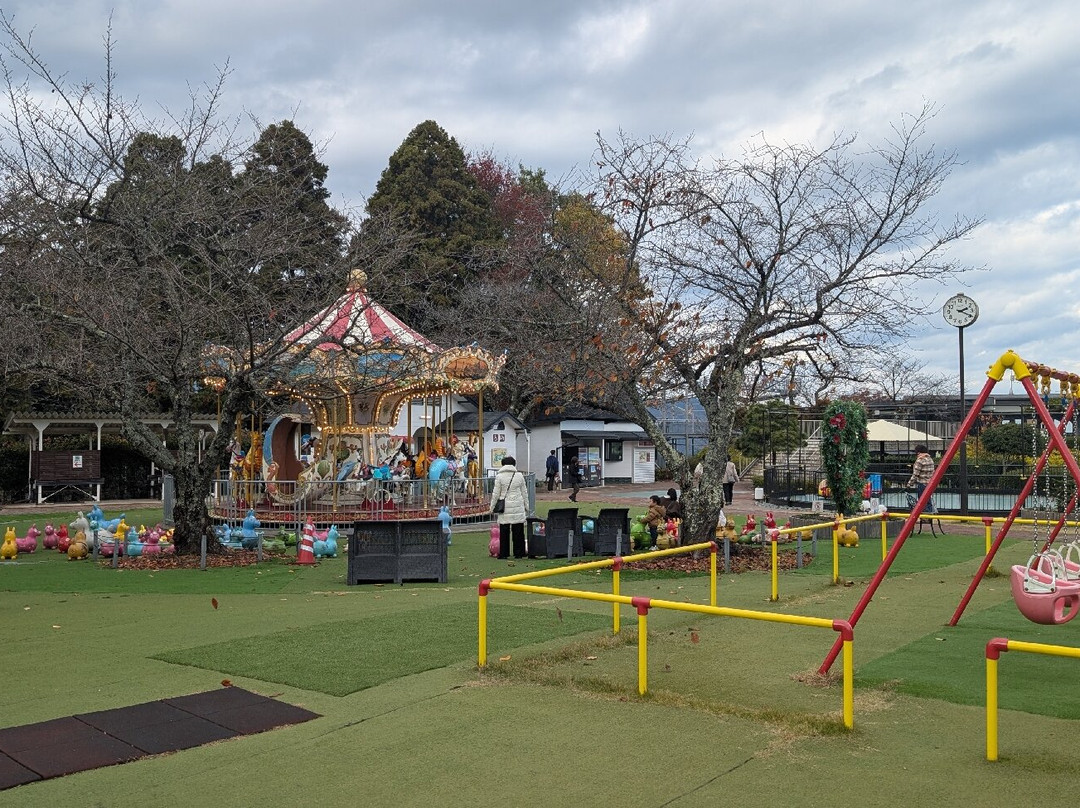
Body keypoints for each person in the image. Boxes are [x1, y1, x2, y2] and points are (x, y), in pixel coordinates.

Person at [490, 456, 529, 559]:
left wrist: (492, 506)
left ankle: (504, 553)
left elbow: (496, 494)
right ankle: (519, 553)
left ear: (503, 464)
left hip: (505, 505)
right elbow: (524, 492)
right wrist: (527, 506)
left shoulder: (499, 476)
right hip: (518, 504)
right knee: (518, 530)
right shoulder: (519, 475)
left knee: (504, 530)